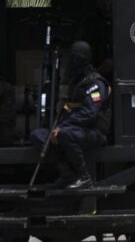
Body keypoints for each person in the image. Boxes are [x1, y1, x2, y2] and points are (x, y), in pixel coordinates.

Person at [30, 41, 109, 189]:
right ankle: (67, 175)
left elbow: (89, 112)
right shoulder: (76, 82)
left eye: (76, 59)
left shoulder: (95, 83)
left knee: (64, 134)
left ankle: (84, 177)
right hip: (73, 130)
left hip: (94, 132)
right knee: (38, 136)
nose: (72, 63)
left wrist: (62, 127)